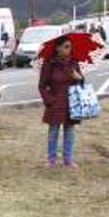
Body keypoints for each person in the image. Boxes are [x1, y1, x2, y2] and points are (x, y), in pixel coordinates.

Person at [38, 36, 85, 168]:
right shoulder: (49, 64)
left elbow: (81, 83)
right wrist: (49, 101)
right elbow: (42, 86)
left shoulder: (74, 63)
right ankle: (51, 159)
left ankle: (68, 159)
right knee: (53, 131)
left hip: (71, 102)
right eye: (66, 46)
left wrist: (79, 78)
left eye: (70, 47)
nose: (69, 49)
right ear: (58, 48)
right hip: (55, 101)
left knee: (69, 131)